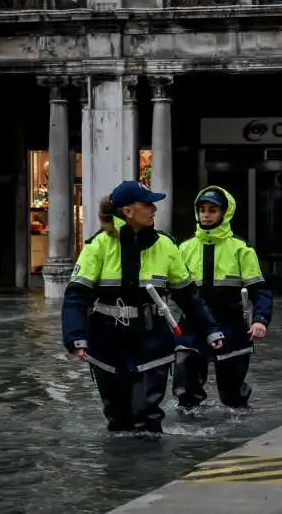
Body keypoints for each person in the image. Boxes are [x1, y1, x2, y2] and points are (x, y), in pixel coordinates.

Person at [61, 181, 224, 433]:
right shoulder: (98, 246)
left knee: (146, 415)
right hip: (107, 342)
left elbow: (189, 296)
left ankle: (152, 469)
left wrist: (211, 330)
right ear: (128, 211)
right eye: (147, 204)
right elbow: (76, 296)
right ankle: (120, 469)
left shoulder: (166, 245)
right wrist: (75, 336)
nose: (154, 209)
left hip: (151, 341)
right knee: (117, 418)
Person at [173, 186, 273, 410]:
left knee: (232, 395)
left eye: (212, 210)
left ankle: (237, 430)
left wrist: (260, 319)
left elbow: (261, 290)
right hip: (192, 326)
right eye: (202, 210)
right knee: (186, 390)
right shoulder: (184, 248)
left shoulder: (241, 249)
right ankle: (189, 431)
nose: (206, 215)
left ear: (225, 213)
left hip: (232, 325)